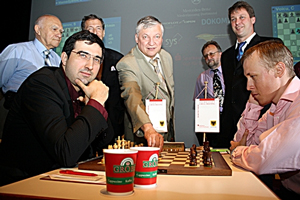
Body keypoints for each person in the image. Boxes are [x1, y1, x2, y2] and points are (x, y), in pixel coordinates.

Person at [0, 30, 114, 186]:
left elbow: (105, 144)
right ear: (65, 58)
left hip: (64, 177)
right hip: (26, 182)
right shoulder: (42, 84)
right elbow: (66, 153)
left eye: (96, 59)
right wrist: (96, 103)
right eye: (83, 55)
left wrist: (96, 103)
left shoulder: (87, 90)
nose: (90, 65)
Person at [230, 40, 300, 199]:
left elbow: (263, 159)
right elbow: (245, 142)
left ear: (279, 70)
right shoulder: (276, 108)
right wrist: (253, 105)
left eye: (253, 76)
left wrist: (236, 151)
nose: (248, 86)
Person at [219, 1, 282, 148]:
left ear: (253, 19)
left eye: (242, 17)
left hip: (263, 123)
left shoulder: (270, 45)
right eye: (233, 19)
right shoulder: (226, 55)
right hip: (233, 126)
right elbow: (230, 92)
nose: (237, 22)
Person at [0, 14, 63, 139]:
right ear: (37, 29)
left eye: (61, 31)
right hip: (13, 110)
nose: (59, 34)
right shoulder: (17, 50)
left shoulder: (57, 60)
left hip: (42, 116)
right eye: (54, 29)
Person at [117, 16, 175, 150]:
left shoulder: (166, 57)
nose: (151, 43)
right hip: (143, 137)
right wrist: (148, 127)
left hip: (166, 133)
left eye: (156, 36)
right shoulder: (127, 63)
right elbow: (132, 97)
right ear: (137, 38)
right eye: (145, 37)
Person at [81, 14, 125, 141]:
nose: (94, 32)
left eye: (98, 28)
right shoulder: (76, 61)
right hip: (84, 120)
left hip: (113, 122)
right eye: (90, 28)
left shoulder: (117, 59)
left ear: (104, 32)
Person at [193, 40, 224, 147]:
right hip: (211, 122)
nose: (209, 58)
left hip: (229, 119)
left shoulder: (229, 73)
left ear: (220, 54)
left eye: (211, 54)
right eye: (205, 56)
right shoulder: (202, 77)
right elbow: (198, 103)